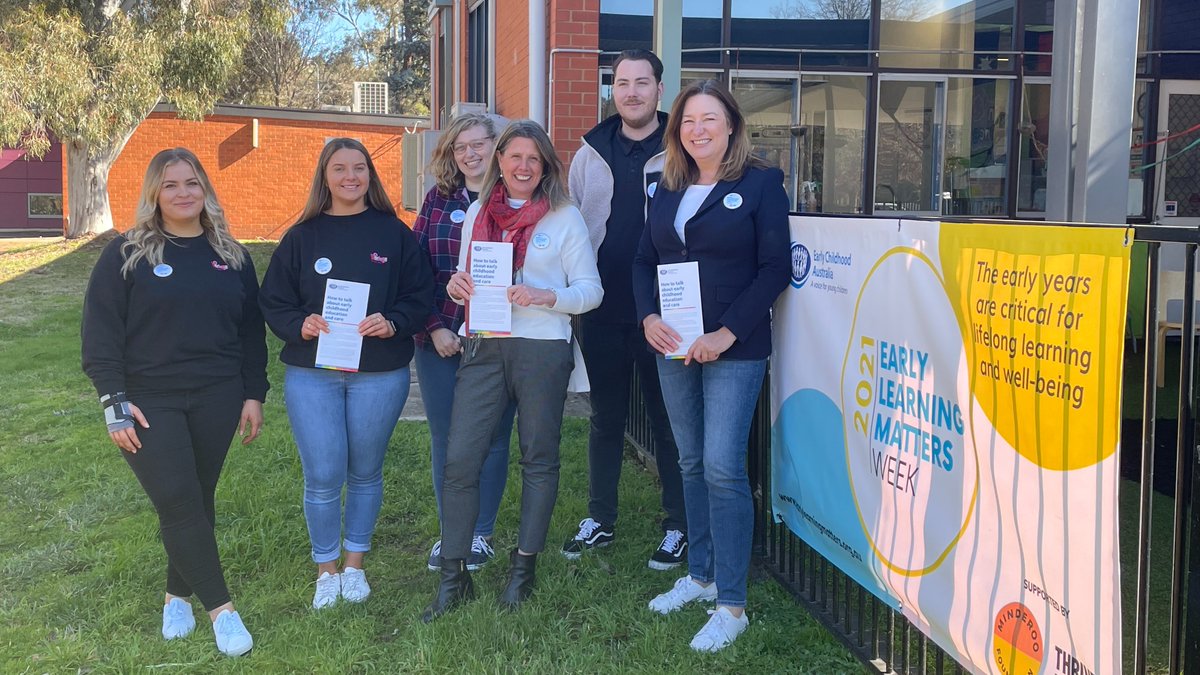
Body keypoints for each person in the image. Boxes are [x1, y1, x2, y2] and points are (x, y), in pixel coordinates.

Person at [81, 148, 267, 657]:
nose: (183, 193)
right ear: (154, 193)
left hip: (218, 395)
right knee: (179, 499)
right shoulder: (127, 253)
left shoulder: (232, 255)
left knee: (196, 498)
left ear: (205, 188)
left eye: (191, 182)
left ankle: (175, 597)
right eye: (170, 184)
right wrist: (114, 402)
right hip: (149, 400)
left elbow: (250, 334)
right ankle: (223, 612)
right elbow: (100, 335)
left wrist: (254, 393)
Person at [632, 80, 790, 652]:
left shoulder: (761, 184)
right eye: (688, 121)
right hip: (674, 344)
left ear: (731, 125)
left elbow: (775, 268)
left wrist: (727, 333)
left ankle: (732, 604)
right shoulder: (666, 186)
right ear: (677, 132)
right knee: (691, 460)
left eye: (709, 119)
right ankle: (700, 575)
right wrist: (648, 316)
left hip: (733, 347)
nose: (697, 130)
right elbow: (643, 261)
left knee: (723, 467)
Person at [422, 120, 603, 621]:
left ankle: (523, 569)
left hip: (542, 349)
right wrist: (457, 285)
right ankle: (454, 577)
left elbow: (591, 291)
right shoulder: (478, 212)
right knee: (460, 460)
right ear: (499, 160)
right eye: (514, 156)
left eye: (533, 158)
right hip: (484, 344)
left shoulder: (564, 217)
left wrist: (547, 296)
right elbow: (465, 275)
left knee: (538, 459)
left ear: (545, 165)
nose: (523, 166)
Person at [259, 138, 434, 610]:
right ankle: (326, 569)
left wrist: (393, 321)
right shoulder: (302, 237)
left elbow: (420, 294)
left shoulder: (394, 234)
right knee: (322, 473)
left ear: (370, 175)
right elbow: (273, 300)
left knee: (365, 471)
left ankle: (354, 566)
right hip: (313, 373)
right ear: (325, 175)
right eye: (339, 168)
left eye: (359, 168)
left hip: (378, 373)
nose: (350, 177)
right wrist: (300, 324)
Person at [564, 49, 687, 570]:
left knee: (668, 420)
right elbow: (573, 223)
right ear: (612, 90)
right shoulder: (590, 152)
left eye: (642, 82)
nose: (631, 92)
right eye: (622, 83)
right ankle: (601, 519)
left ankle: (679, 525)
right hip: (603, 307)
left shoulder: (683, 147)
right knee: (606, 417)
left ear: (660, 88)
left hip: (665, 312)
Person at [413, 113, 516, 572]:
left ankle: (480, 535)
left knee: (492, 436)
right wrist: (435, 327)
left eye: (479, 144)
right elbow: (415, 269)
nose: (470, 154)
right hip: (439, 339)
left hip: (499, 342)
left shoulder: (517, 199)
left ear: (497, 147)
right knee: (447, 438)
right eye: (461, 147)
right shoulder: (438, 200)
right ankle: (451, 532)